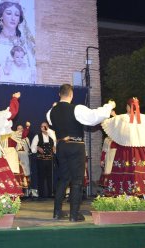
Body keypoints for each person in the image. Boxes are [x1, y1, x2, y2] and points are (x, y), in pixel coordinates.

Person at [47, 84, 115, 222]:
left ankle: (57, 212)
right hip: (75, 145)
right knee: (77, 180)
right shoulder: (77, 108)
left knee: (63, 179)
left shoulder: (50, 112)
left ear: (59, 94)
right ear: (71, 95)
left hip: (61, 146)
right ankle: (73, 215)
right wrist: (109, 106)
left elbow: (52, 123)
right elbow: (95, 117)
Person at [101, 98, 145, 201]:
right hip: (143, 151)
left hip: (126, 152)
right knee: (144, 176)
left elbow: (105, 121)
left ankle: (127, 204)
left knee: (126, 175)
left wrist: (108, 109)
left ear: (128, 107)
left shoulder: (121, 118)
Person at [0, 2, 36, 83]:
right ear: (1, 16)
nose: (13, 18)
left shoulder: (25, 43)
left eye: (16, 15)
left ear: (19, 19)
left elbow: (31, 69)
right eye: (9, 13)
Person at [30, 121, 56, 198]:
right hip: (41, 160)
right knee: (41, 177)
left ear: (47, 127)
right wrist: (37, 147)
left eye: (45, 126)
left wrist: (54, 148)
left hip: (50, 161)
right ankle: (41, 194)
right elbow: (32, 148)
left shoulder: (52, 137)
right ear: (40, 128)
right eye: (42, 126)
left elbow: (55, 148)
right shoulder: (37, 136)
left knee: (50, 177)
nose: (43, 128)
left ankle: (50, 193)